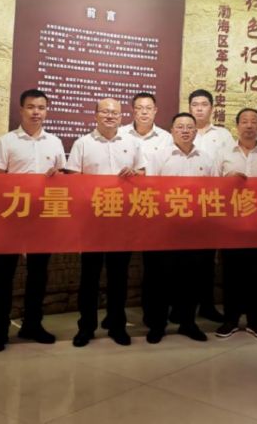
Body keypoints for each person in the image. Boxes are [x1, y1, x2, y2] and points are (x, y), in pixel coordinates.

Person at [0, 89, 65, 352]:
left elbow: (62, 178)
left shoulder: (54, 142)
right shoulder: (6, 141)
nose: (36, 112)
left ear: (46, 111)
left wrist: (58, 177)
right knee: (3, 275)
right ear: (21, 110)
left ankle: (33, 324)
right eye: (31, 107)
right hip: (11, 218)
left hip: (43, 218)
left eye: (41, 107)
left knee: (38, 275)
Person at [65, 97, 145, 347]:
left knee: (119, 276)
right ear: (96, 115)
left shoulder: (132, 143)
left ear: (122, 117)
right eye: (105, 112)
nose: (110, 116)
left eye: (115, 113)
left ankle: (117, 325)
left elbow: (143, 174)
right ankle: (86, 327)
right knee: (89, 277)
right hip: (92, 221)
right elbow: (72, 178)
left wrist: (135, 174)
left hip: (122, 220)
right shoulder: (83, 143)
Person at [142, 112, 215, 344]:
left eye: (189, 127)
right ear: (172, 130)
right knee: (161, 279)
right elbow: (150, 191)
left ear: (196, 131)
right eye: (180, 127)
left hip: (196, 230)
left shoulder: (207, 158)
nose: (185, 131)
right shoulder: (158, 156)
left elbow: (213, 192)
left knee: (191, 279)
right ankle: (158, 325)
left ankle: (188, 323)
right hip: (165, 229)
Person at [213, 108, 257, 341]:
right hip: (230, 224)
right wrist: (227, 181)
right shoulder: (223, 152)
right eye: (244, 121)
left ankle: (255, 321)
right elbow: (211, 186)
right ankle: (230, 320)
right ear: (237, 125)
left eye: (253, 122)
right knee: (231, 274)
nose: (249, 125)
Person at [119, 92, 171, 329]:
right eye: (139, 108)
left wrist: (142, 175)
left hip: (155, 209)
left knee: (155, 266)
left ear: (155, 111)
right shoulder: (119, 134)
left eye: (148, 108)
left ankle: (153, 317)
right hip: (123, 209)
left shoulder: (166, 138)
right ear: (133, 110)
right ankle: (116, 317)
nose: (144, 112)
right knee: (119, 266)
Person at [187, 89, 232, 323]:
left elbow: (229, 165)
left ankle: (207, 305)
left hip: (212, 204)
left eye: (204, 104)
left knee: (207, 259)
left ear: (212, 108)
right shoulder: (181, 130)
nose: (199, 108)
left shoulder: (223, 135)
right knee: (183, 259)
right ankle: (181, 307)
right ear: (189, 107)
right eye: (195, 104)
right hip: (182, 205)